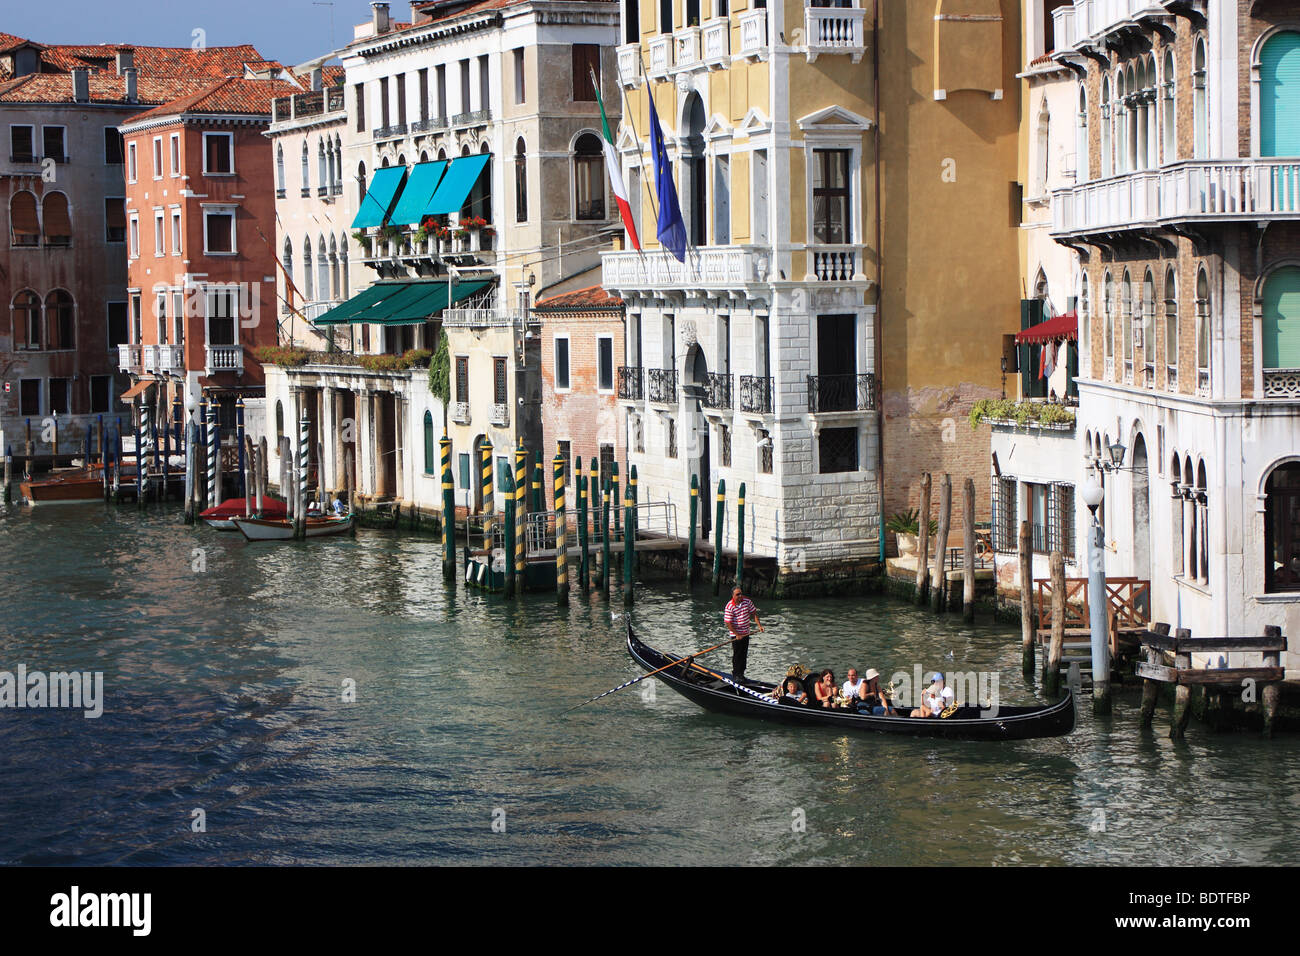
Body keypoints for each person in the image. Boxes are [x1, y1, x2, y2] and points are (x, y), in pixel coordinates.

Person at [722, 586, 763, 679]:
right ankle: (736, 674)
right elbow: (728, 623)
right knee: (737, 654)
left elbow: (754, 614)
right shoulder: (729, 606)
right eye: (738, 594)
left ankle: (742, 674)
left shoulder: (747, 601)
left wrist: (759, 626)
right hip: (735, 634)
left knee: (744, 654)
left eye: (741, 593)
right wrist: (737, 634)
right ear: (733, 596)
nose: (740, 596)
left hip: (746, 633)